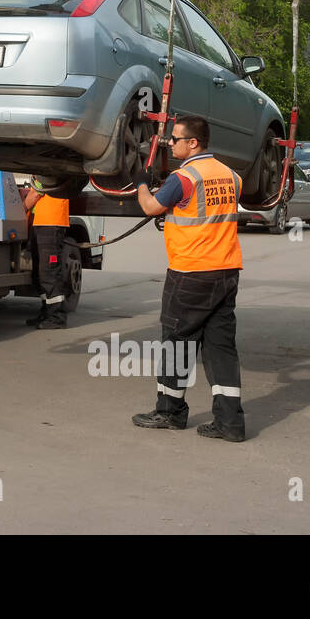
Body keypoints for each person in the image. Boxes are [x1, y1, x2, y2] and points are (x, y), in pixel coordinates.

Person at [132, 115, 246, 442]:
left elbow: (151, 206)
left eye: (176, 139)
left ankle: (169, 412)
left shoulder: (185, 177)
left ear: (193, 143)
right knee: (220, 348)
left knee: (177, 343)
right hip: (226, 272)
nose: (170, 143)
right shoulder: (231, 176)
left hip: (190, 273)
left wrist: (141, 182)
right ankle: (229, 423)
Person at [22, 183, 77, 329]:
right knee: (39, 273)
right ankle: (47, 313)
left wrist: (22, 208)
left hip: (50, 222)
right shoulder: (45, 172)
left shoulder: (47, 174)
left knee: (49, 273)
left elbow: (35, 194)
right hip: (42, 221)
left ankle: (57, 317)